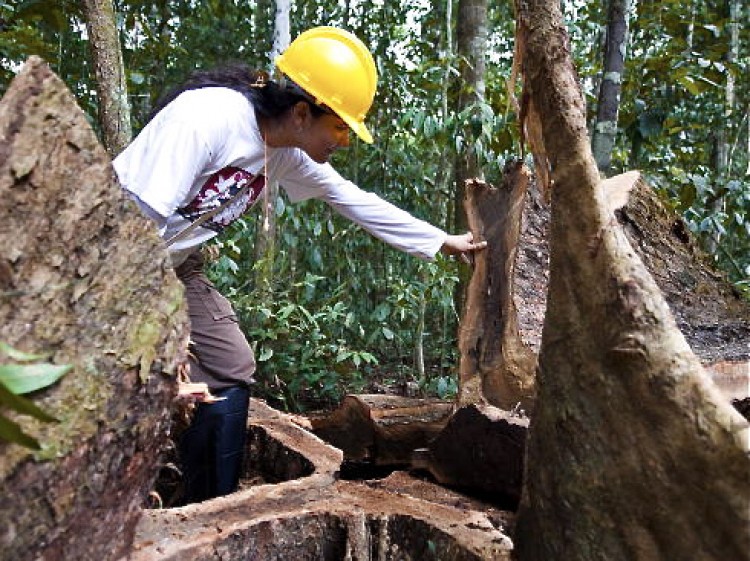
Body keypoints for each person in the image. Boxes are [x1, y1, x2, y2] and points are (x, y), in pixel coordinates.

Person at [113, 26, 487, 504]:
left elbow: (353, 199)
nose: (344, 141)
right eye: (340, 127)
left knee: (229, 366)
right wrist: (157, 324)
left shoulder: (285, 151)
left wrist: (441, 241)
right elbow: (133, 224)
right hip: (113, 259)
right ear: (303, 112)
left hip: (174, 266)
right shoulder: (207, 118)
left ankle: (211, 507)